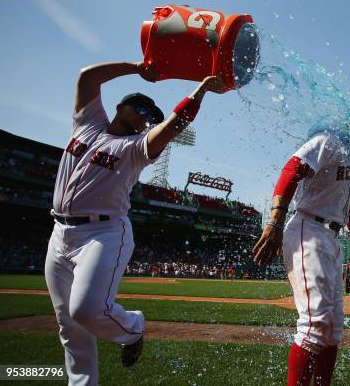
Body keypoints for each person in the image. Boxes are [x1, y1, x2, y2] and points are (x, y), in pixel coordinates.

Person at [45, 60, 225, 385]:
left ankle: (133, 328)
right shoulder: (87, 124)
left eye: (150, 116)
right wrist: (137, 67)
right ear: (120, 106)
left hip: (103, 232)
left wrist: (199, 91)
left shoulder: (134, 149)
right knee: (69, 326)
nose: (146, 118)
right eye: (141, 108)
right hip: (59, 232)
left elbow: (172, 126)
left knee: (86, 311)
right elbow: (87, 75)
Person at [252, 106, 350, 386]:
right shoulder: (328, 140)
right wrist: (275, 223)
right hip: (308, 229)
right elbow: (292, 169)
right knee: (316, 323)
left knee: (333, 329)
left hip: (331, 237)